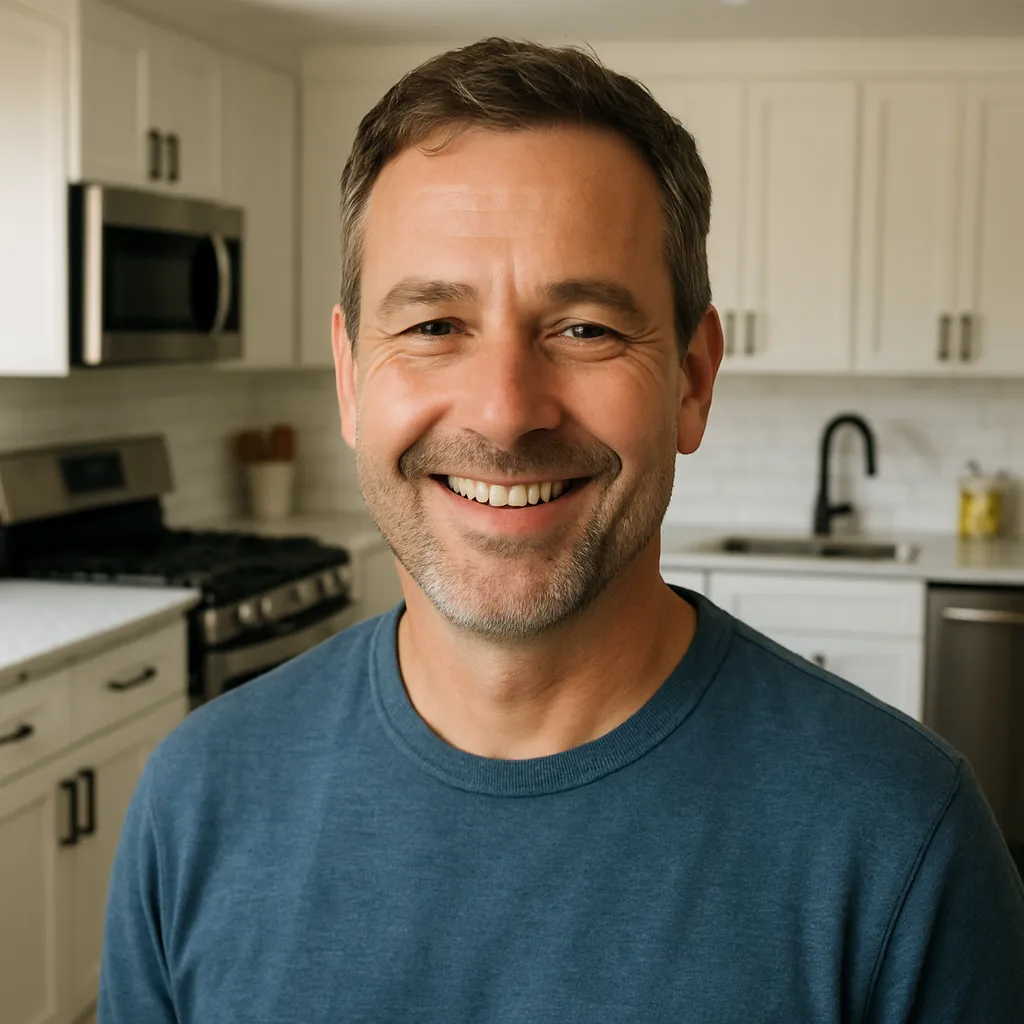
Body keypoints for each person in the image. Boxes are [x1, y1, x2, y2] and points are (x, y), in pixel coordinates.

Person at [98, 38, 1024, 1023]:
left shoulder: (902, 845)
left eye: (583, 327)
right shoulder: (194, 803)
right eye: (431, 326)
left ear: (692, 379)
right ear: (348, 376)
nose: (504, 413)